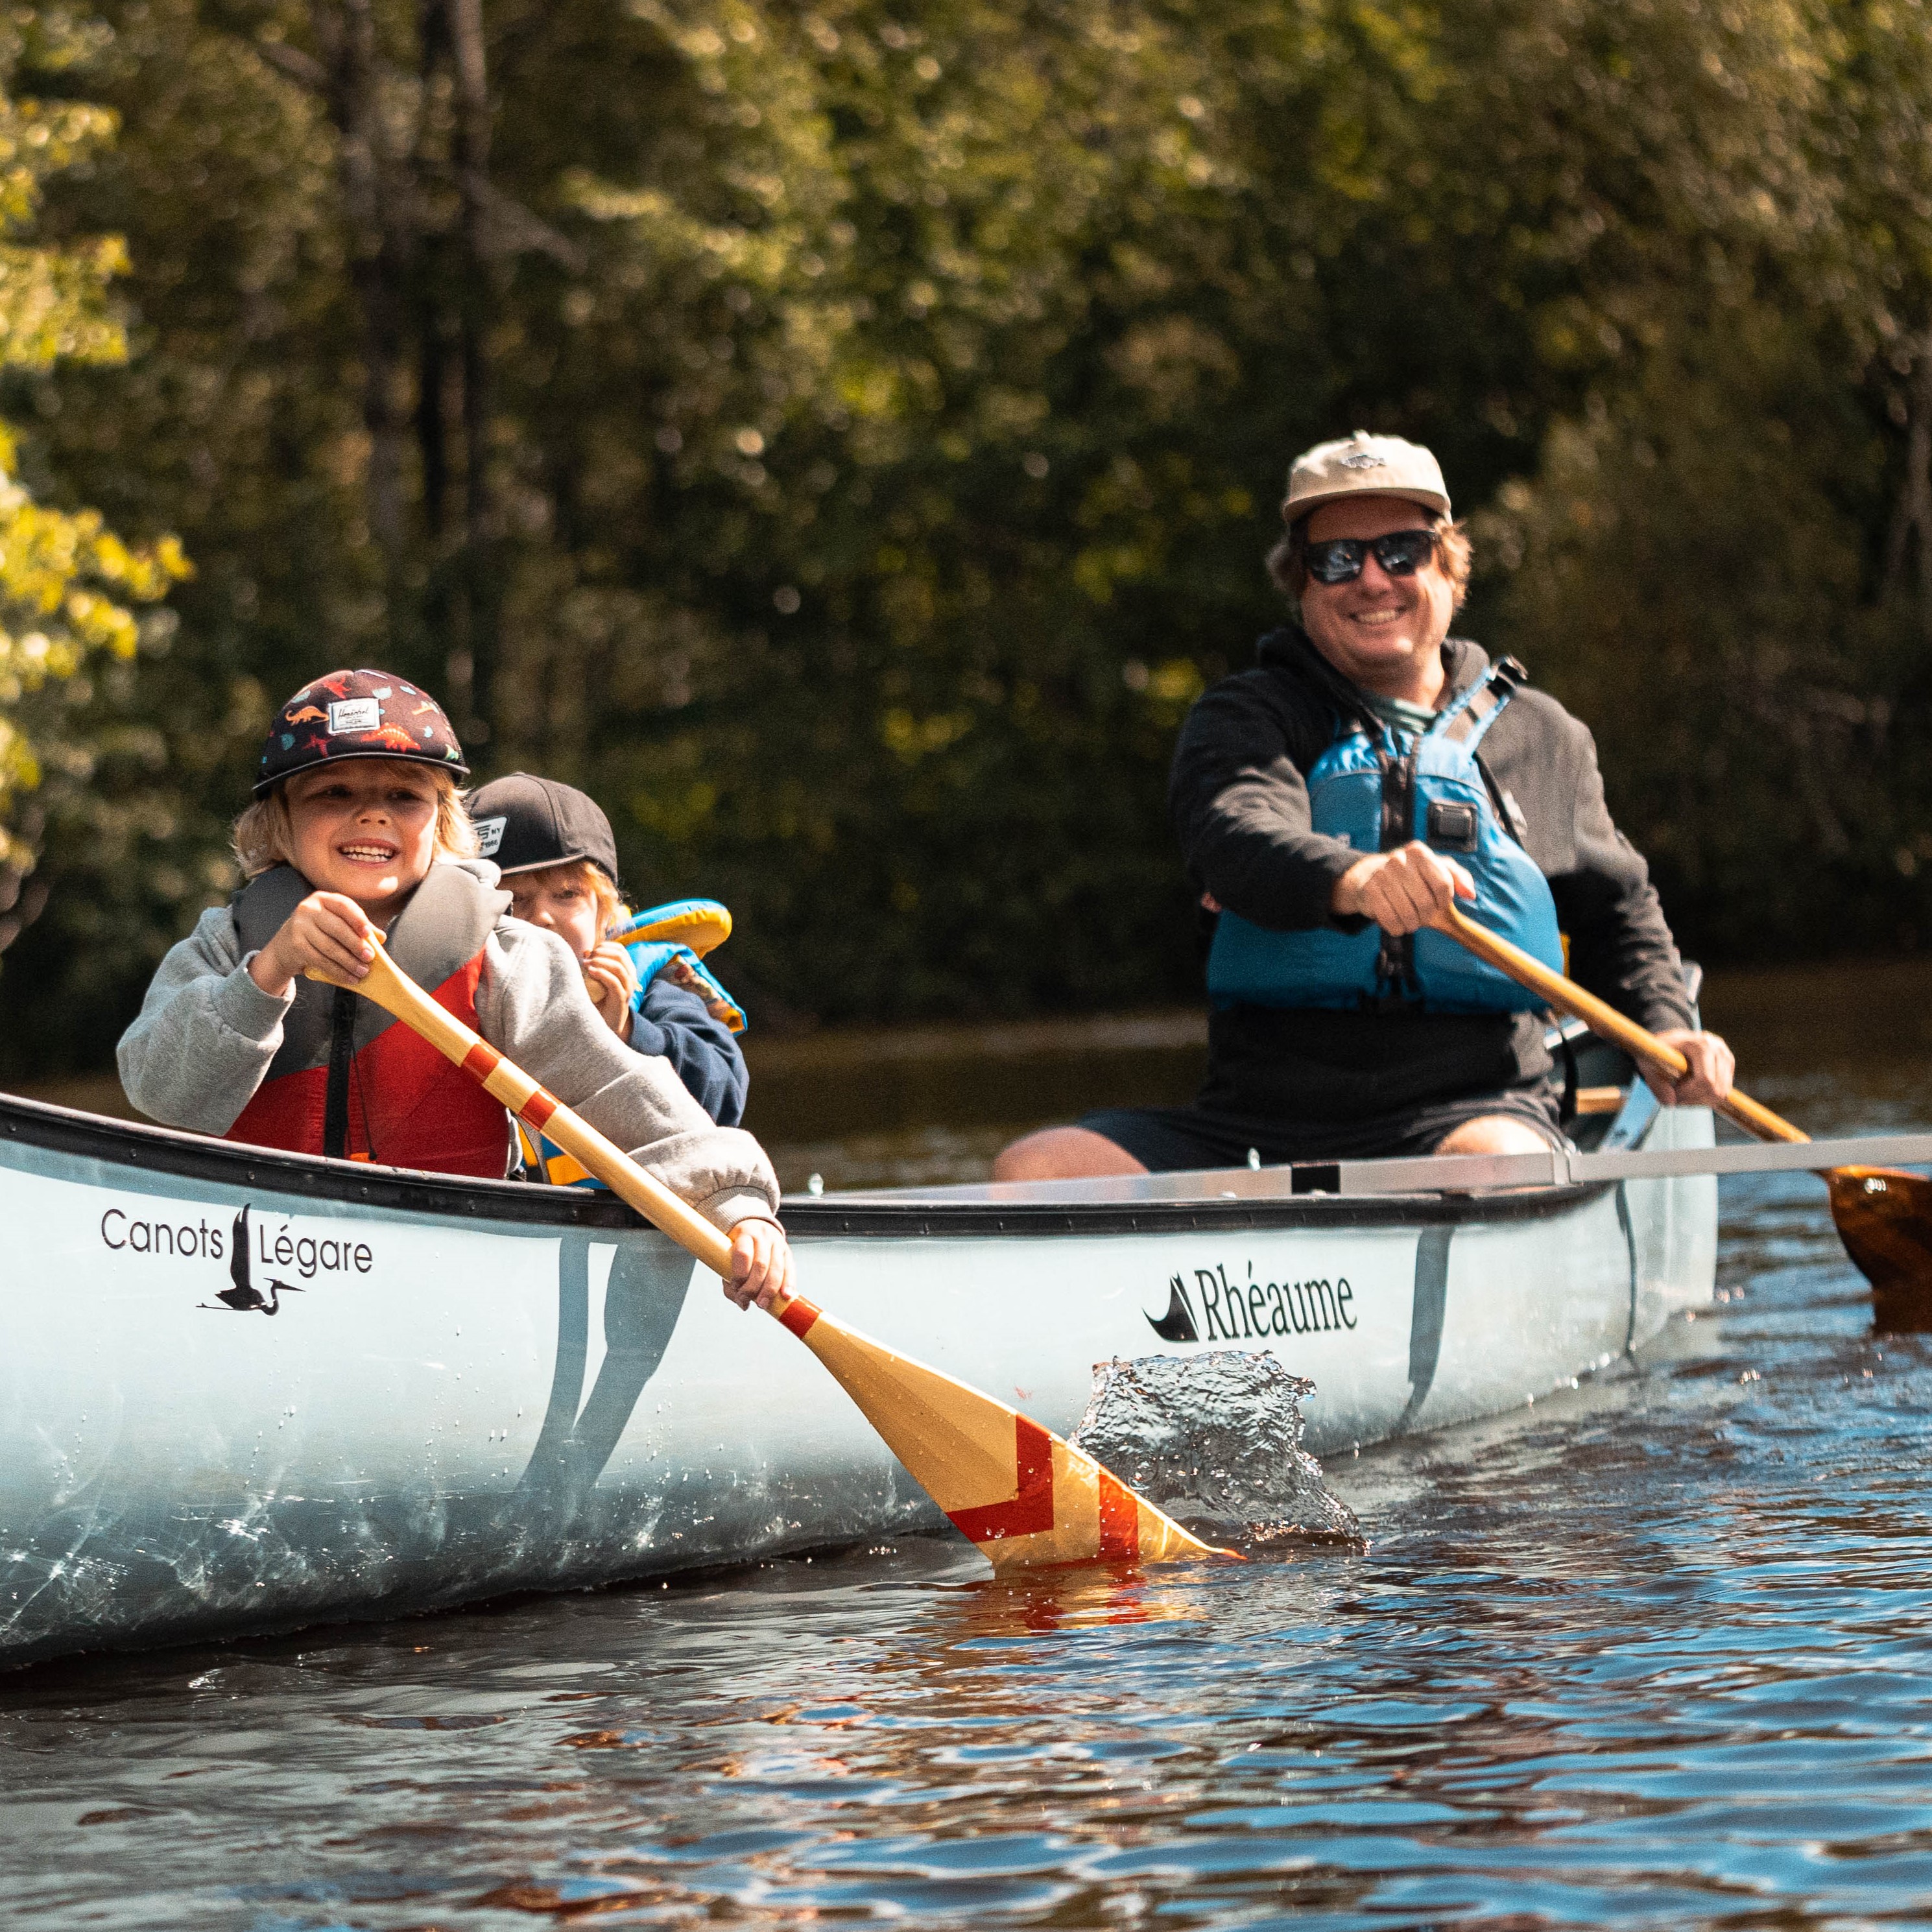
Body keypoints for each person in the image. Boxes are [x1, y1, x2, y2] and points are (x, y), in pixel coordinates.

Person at [996, 431, 1734, 1180]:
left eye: (1403, 552)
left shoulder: (1542, 735)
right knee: (1035, 1169)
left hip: (1472, 1108)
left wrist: (1670, 1031)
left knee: (1492, 1164)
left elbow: (1619, 916)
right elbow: (1237, 836)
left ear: (1449, 569)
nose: (1373, 581)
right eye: (1338, 560)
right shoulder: (1247, 718)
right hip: (1257, 1118)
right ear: (1303, 583)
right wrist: (1355, 880)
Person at [117, 669, 790, 1310]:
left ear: (440, 823)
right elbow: (161, 1093)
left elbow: (614, 1096)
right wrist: (266, 977)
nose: (372, 817)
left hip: (453, 1271)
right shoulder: (225, 946)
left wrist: (735, 1204)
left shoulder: (507, 957)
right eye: (335, 794)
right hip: (261, 1266)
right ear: (279, 824)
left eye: (403, 797)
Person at [466, 772, 750, 1183]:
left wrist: (626, 1032)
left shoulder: (653, 983)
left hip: (628, 1212)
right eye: (513, 901)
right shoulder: (452, 991)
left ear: (605, 915)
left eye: (567, 895)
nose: (543, 917)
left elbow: (722, 1102)